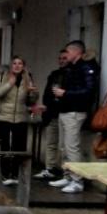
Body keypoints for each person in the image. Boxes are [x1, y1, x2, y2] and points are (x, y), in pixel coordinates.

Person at [48, 40, 98, 193]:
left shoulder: (87, 67)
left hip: (75, 111)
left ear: (77, 52)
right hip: (65, 110)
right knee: (65, 147)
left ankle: (77, 181)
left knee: (72, 147)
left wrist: (65, 93)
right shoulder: (72, 68)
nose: (66, 55)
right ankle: (68, 176)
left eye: (68, 52)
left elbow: (89, 91)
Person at [0, 56, 38, 186]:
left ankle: (15, 174)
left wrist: (33, 93)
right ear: (11, 65)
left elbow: (31, 101)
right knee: (4, 146)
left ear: (23, 66)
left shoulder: (27, 79)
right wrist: (9, 84)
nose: (17, 66)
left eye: (20, 63)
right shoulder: (1, 77)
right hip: (2, 116)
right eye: (14, 63)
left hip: (20, 117)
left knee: (19, 147)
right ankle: (5, 174)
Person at [34, 49, 68, 180]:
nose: (61, 61)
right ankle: (50, 168)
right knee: (51, 143)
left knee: (65, 146)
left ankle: (66, 173)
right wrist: (46, 106)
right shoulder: (54, 74)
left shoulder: (72, 75)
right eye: (60, 58)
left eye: (64, 58)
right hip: (51, 113)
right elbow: (47, 93)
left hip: (65, 113)